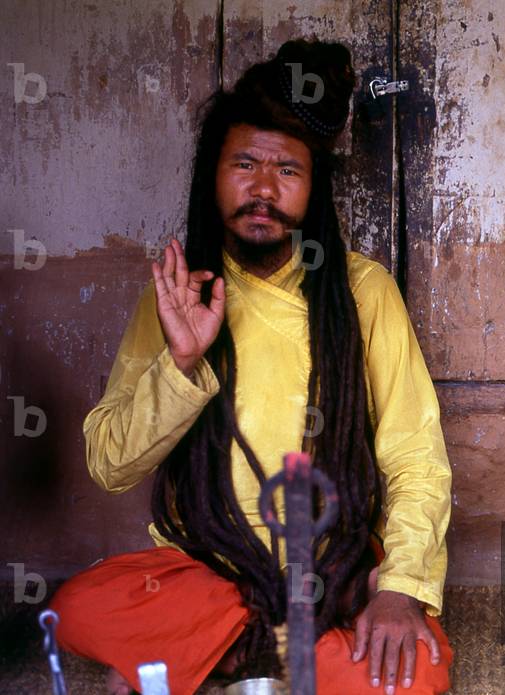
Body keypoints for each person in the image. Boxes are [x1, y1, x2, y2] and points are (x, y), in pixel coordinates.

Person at [49, 40, 453, 695]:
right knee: (81, 605)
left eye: (287, 170)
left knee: (414, 673)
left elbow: (415, 456)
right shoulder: (180, 293)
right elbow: (109, 461)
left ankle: (236, 653)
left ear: (313, 186)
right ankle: (274, 639)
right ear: (213, 172)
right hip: (207, 568)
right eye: (244, 164)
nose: (263, 189)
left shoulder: (362, 290)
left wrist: (402, 585)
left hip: (335, 566)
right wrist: (183, 361)